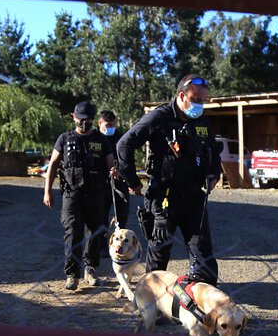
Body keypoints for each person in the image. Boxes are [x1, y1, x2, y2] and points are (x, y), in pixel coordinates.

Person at [116, 74, 222, 285]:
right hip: (164, 197)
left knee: (203, 253)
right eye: (196, 100)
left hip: (194, 197)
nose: (200, 105)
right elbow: (124, 145)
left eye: (203, 101)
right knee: (159, 252)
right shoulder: (160, 117)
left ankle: (204, 304)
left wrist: (214, 174)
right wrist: (133, 182)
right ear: (182, 96)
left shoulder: (201, 121)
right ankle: (150, 303)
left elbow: (212, 151)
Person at [43, 101, 117, 290]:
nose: (84, 123)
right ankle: (72, 274)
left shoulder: (101, 140)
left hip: (95, 194)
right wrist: (47, 190)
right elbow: (52, 165)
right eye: (81, 119)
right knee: (73, 231)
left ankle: (90, 269)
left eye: (89, 120)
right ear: (73, 117)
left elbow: (110, 162)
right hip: (72, 194)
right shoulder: (65, 138)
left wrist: (114, 170)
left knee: (95, 232)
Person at [99, 110, 130, 230]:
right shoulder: (94, 137)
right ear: (100, 123)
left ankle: (120, 239)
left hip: (119, 179)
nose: (111, 128)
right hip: (101, 181)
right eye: (108, 125)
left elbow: (126, 157)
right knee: (100, 215)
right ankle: (101, 243)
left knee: (122, 213)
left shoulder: (120, 137)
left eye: (113, 125)